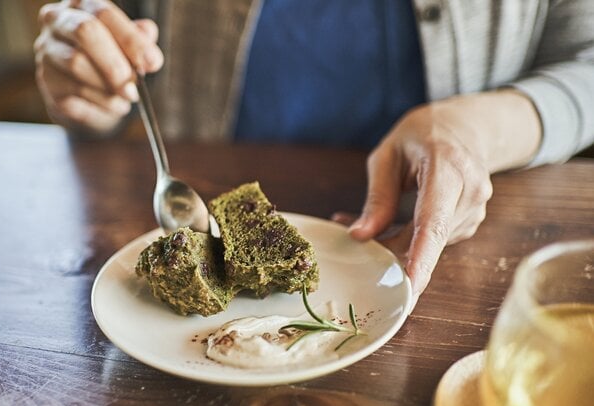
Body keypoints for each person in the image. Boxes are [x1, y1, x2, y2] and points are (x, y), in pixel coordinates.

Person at [33, 0, 594, 298]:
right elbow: (107, 26)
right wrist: (87, 71)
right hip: (188, 185)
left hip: (453, 263)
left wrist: (476, 128)